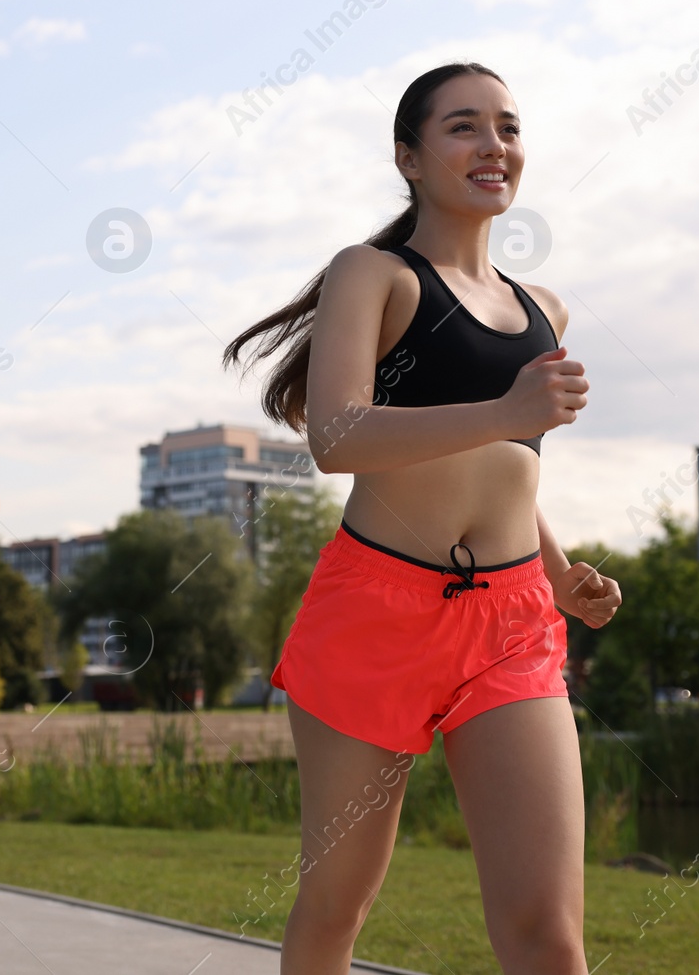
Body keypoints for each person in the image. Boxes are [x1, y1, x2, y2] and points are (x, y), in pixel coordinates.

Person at [222, 62, 622, 974]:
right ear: (408, 157)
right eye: (464, 127)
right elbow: (337, 435)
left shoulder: (541, 309)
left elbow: (511, 466)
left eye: (509, 127)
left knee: (548, 936)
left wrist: (559, 573)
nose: (494, 145)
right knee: (336, 905)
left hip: (513, 623)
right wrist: (509, 412)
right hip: (376, 613)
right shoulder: (373, 274)